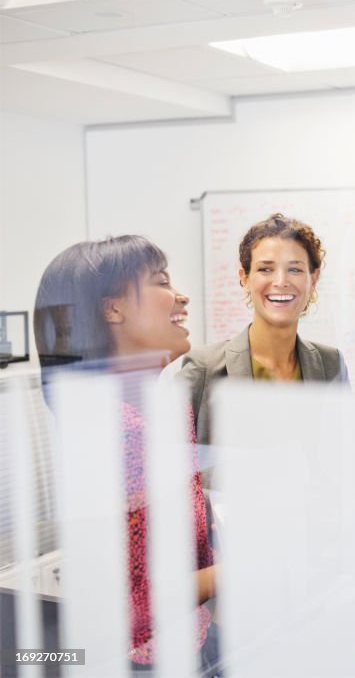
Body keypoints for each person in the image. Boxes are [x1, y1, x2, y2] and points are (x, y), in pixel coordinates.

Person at [33, 236, 219, 674]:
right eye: (161, 282)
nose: (181, 297)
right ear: (111, 309)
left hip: (189, 644)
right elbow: (133, 610)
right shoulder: (111, 426)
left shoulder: (160, 409)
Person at [179, 213, 349, 445]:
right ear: (245, 278)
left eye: (295, 269)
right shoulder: (204, 367)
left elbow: (343, 455)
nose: (280, 281)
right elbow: (170, 464)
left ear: (314, 279)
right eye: (265, 269)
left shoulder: (331, 363)